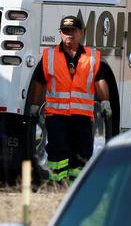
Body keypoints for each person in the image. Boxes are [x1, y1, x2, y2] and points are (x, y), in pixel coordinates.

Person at [29, 15, 110, 182]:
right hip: (56, 116)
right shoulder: (49, 56)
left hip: (82, 116)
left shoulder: (92, 57)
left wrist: (106, 102)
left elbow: (99, 80)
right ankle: (57, 182)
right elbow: (39, 81)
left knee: (82, 152)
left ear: (81, 33)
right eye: (65, 31)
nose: (69, 35)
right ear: (60, 33)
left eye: (73, 31)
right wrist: (34, 106)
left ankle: (74, 187)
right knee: (58, 149)